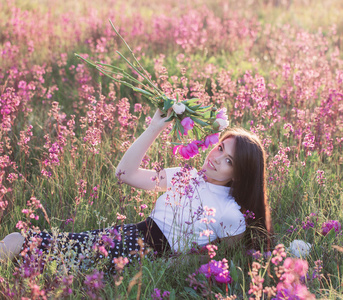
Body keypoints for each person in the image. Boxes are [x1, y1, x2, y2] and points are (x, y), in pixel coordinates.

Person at [0, 109, 272, 268]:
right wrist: (155, 127)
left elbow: (217, 258)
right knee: (22, 242)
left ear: (240, 174)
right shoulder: (185, 175)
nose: (215, 158)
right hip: (127, 235)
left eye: (228, 161)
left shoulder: (231, 213)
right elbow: (125, 174)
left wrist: (161, 266)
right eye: (219, 147)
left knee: (23, 245)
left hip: (144, 254)